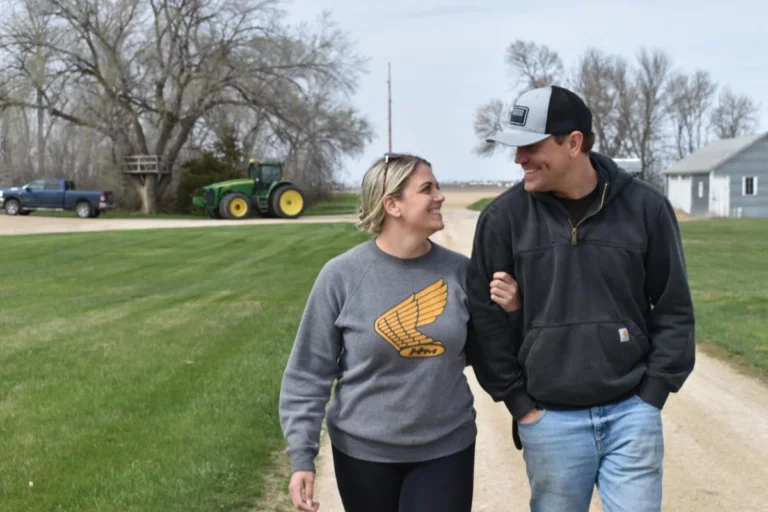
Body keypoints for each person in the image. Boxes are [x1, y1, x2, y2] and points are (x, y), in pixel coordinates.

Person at [465, 85, 696, 512]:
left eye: (530, 146)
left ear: (573, 143)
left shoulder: (646, 208)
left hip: (632, 412)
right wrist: (520, 404)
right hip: (549, 420)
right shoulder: (503, 219)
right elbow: (485, 320)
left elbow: (673, 308)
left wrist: (653, 396)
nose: (518, 159)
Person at [278, 153, 518, 512]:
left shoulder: (462, 273)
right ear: (393, 204)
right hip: (362, 454)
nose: (440, 196)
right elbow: (308, 373)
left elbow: (494, 354)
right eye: (427, 189)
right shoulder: (341, 276)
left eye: (437, 187)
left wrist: (514, 313)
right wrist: (301, 456)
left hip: (446, 448)